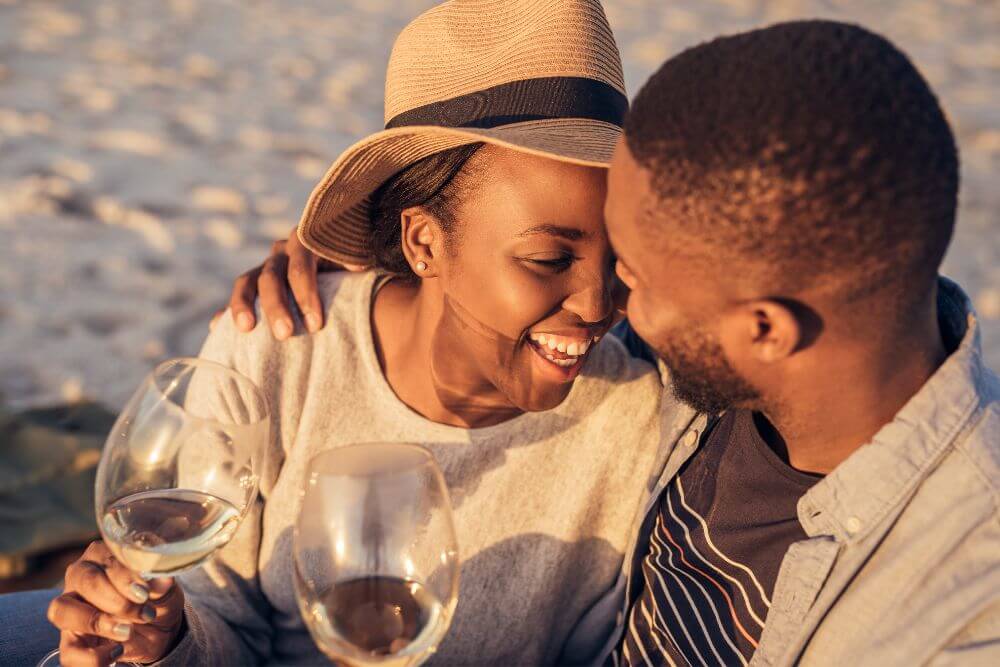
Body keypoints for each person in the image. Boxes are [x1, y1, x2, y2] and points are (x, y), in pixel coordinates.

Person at [229, 19, 1000, 667]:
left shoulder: (965, 602)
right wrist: (378, 253)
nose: (608, 311)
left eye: (635, 273)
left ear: (763, 327)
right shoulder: (730, 380)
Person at [40, 1, 673, 666]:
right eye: (550, 259)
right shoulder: (278, 349)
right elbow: (221, 621)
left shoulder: (630, 422)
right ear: (424, 241)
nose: (600, 302)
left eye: (622, 258)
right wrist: (159, 638)